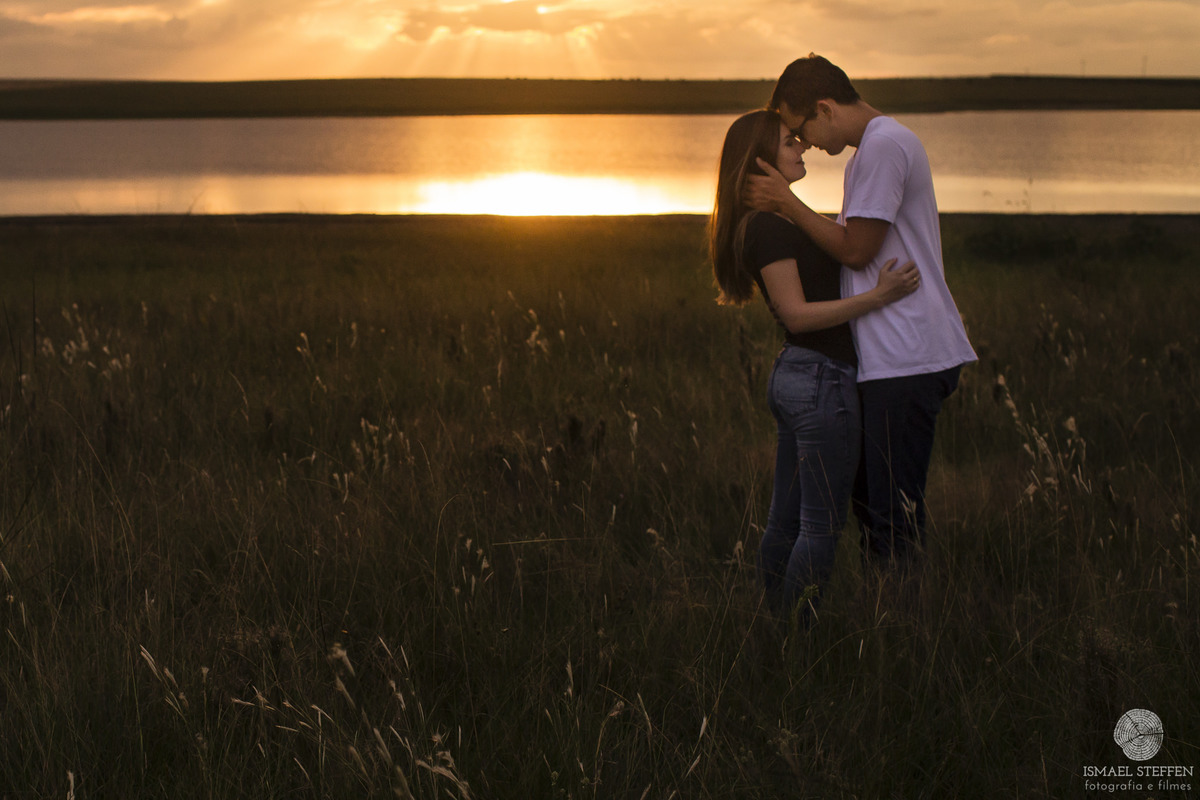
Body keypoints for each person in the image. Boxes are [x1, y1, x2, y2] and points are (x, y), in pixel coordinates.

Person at [745, 54, 977, 568]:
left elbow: (856, 250)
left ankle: (902, 634)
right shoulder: (873, 151)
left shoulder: (883, 147)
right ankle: (889, 628)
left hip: (907, 356)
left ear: (824, 108)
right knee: (877, 513)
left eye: (799, 128)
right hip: (892, 357)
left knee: (892, 518)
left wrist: (787, 204)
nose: (803, 142)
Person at [709, 108, 920, 618]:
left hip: (800, 378)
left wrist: (791, 202)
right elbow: (797, 315)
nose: (801, 147)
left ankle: (774, 624)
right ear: (761, 161)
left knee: (785, 523)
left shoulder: (772, 222)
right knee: (819, 528)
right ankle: (796, 640)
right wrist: (879, 297)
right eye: (789, 143)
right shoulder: (768, 229)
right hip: (819, 380)